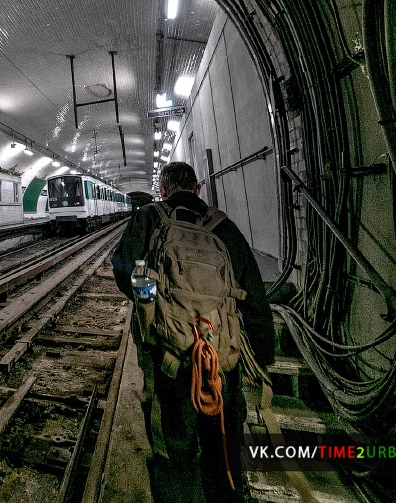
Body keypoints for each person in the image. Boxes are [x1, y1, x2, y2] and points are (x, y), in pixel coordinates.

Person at [112, 161, 274, 503]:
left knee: (176, 448)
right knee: (223, 447)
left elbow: (124, 268)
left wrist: (153, 308)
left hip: (170, 361)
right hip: (220, 363)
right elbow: (254, 294)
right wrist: (262, 355)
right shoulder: (223, 226)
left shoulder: (149, 218)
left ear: (163, 190)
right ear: (198, 189)